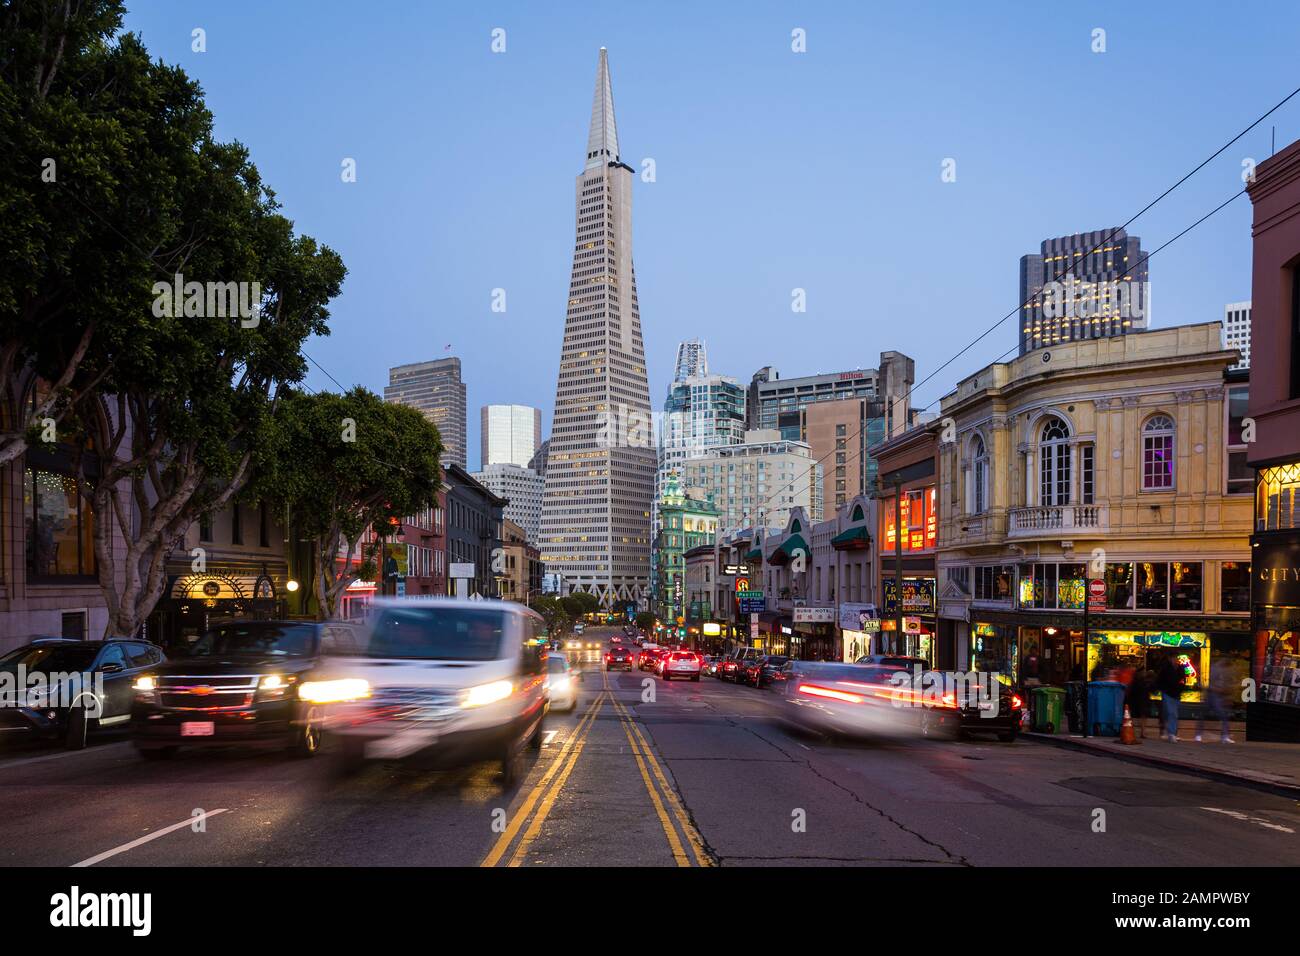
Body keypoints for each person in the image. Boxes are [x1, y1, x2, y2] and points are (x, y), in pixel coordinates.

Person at [1195, 657, 1235, 743]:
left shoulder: (1218, 669)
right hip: (1214, 694)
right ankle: (1224, 736)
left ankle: (1199, 735)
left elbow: (1212, 683)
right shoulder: (1216, 669)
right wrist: (1218, 689)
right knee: (1221, 714)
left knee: (1206, 714)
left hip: (1215, 694)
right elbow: (1211, 683)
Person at [1155, 652, 1185, 742]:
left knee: (1172, 713)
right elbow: (1160, 680)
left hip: (1174, 693)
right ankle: (1171, 733)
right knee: (1172, 713)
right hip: (1169, 693)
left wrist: (1181, 688)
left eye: (1176, 658)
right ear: (1170, 658)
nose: (1176, 660)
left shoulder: (1178, 668)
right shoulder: (1167, 668)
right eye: (1174, 658)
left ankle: (1171, 733)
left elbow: (1183, 679)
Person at [1125, 665, 1153, 739]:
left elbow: (1130, 692)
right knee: (1142, 717)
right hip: (1141, 701)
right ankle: (1142, 732)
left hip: (1139, 701)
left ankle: (1139, 732)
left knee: (1139, 717)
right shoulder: (1142, 681)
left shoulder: (1137, 681)